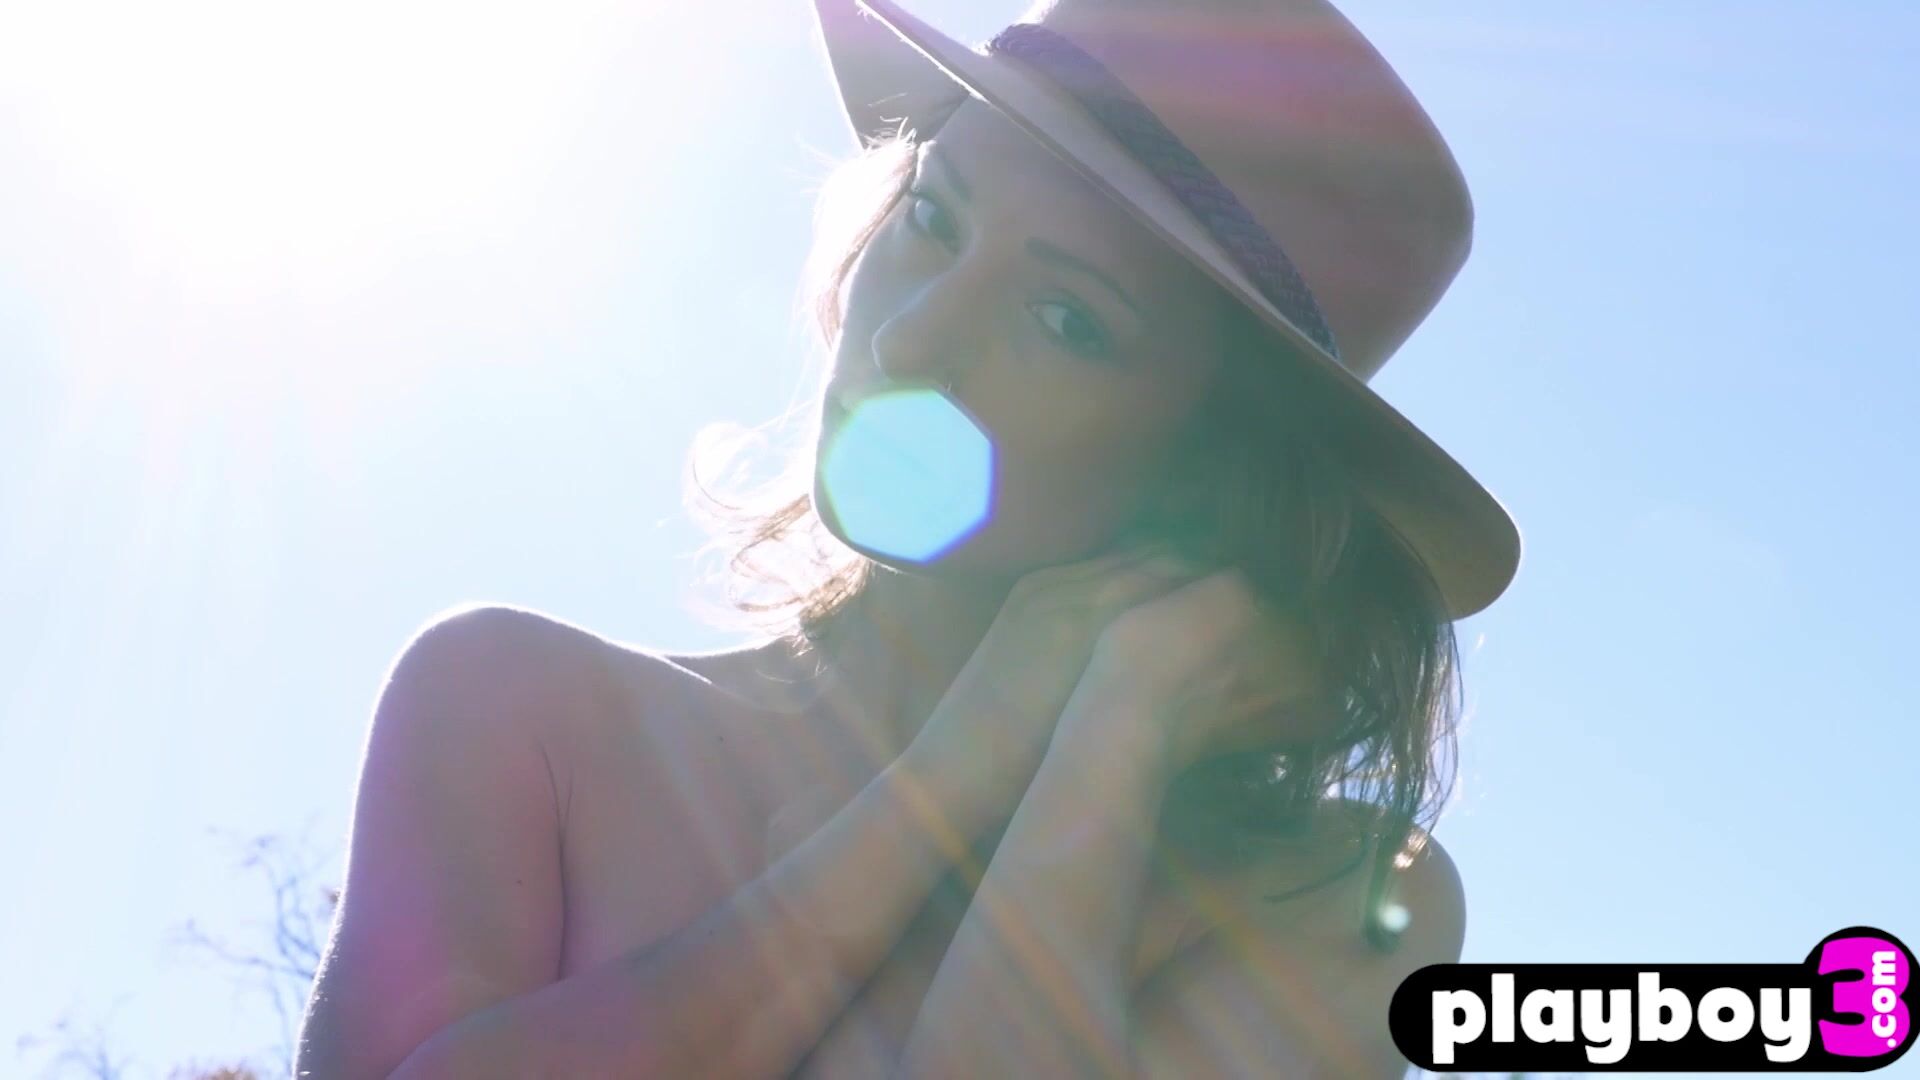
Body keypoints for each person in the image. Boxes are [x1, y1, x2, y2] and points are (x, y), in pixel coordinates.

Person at [294, 0, 1523, 1075]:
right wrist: (946, 778)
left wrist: (1109, 738)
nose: (913, 337)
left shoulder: (1335, 902)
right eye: (934, 216)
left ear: (1217, 467)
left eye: (1066, 318)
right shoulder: (516, 706)